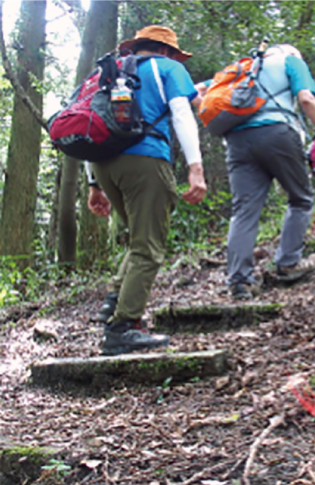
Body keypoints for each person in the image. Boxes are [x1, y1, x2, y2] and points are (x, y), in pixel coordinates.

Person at [88, 25, 207, 356]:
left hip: (103, 164)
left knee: (138, 240)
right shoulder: (169, 68)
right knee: (149, 245)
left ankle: (113, 302)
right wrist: (195, 167)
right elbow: (182, 113)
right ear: (167, 50)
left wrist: (94, 185)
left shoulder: (108, 73)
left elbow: (89, 120)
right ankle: (123, 328)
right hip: (145, 160)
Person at [215, 44, 315, 300]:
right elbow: (306, 98)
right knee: (301, 198)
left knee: (244, 211)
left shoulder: (241, 68)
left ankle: (240, 281)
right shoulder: (291, 62)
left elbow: (200, 92)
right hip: (278, 132)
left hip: (237, 140)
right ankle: (288, 263)